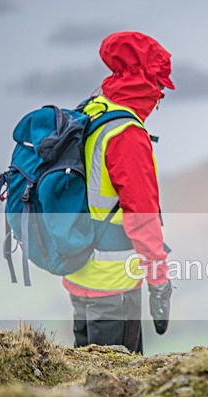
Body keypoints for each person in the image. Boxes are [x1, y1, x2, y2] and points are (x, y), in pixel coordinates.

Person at [63, 31, 173, 353]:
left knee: (87, 374)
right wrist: (159, 281)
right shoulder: (127, 135)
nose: (162, 95)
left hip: (80, 270)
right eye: (160, 85)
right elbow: (142, 218)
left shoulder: (95, 108)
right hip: (114, 286)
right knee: (118, 388)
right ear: (147, 82)